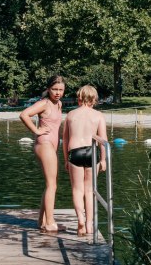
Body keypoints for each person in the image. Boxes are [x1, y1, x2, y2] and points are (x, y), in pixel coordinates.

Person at [20, 75, 66, 233]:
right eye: (54, 89)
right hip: (44, 144)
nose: (58, 92)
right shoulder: (44, 103)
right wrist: (36, 130)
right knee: (52, 185)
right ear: (48, 89)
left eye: (60, 89)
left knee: (51, 184)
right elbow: (24, 114)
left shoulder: (59, 104)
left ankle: (42, 221)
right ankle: (50, 223)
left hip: (52, 145)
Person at [63, 85, 107, 237]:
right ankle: (89, 225)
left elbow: (65, 139)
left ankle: (80, 220)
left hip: (75, 152)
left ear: (79, 98)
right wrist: (103, 159)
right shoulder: (98, 115)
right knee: (89, 191)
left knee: (77, 189)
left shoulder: (71, 114)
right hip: (91, 153)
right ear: (94, 99)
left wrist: (65, 160)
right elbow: (103, 140)